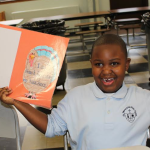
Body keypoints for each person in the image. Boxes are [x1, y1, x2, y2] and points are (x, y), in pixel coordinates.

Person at [0, 34, 150, 150]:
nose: (106, 71)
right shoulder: (75, 97)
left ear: (126, 64)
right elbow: (51, 126)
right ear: (91, 64)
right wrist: (17, 101)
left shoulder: (144, 99)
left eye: (114, 63)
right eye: (99, 64)